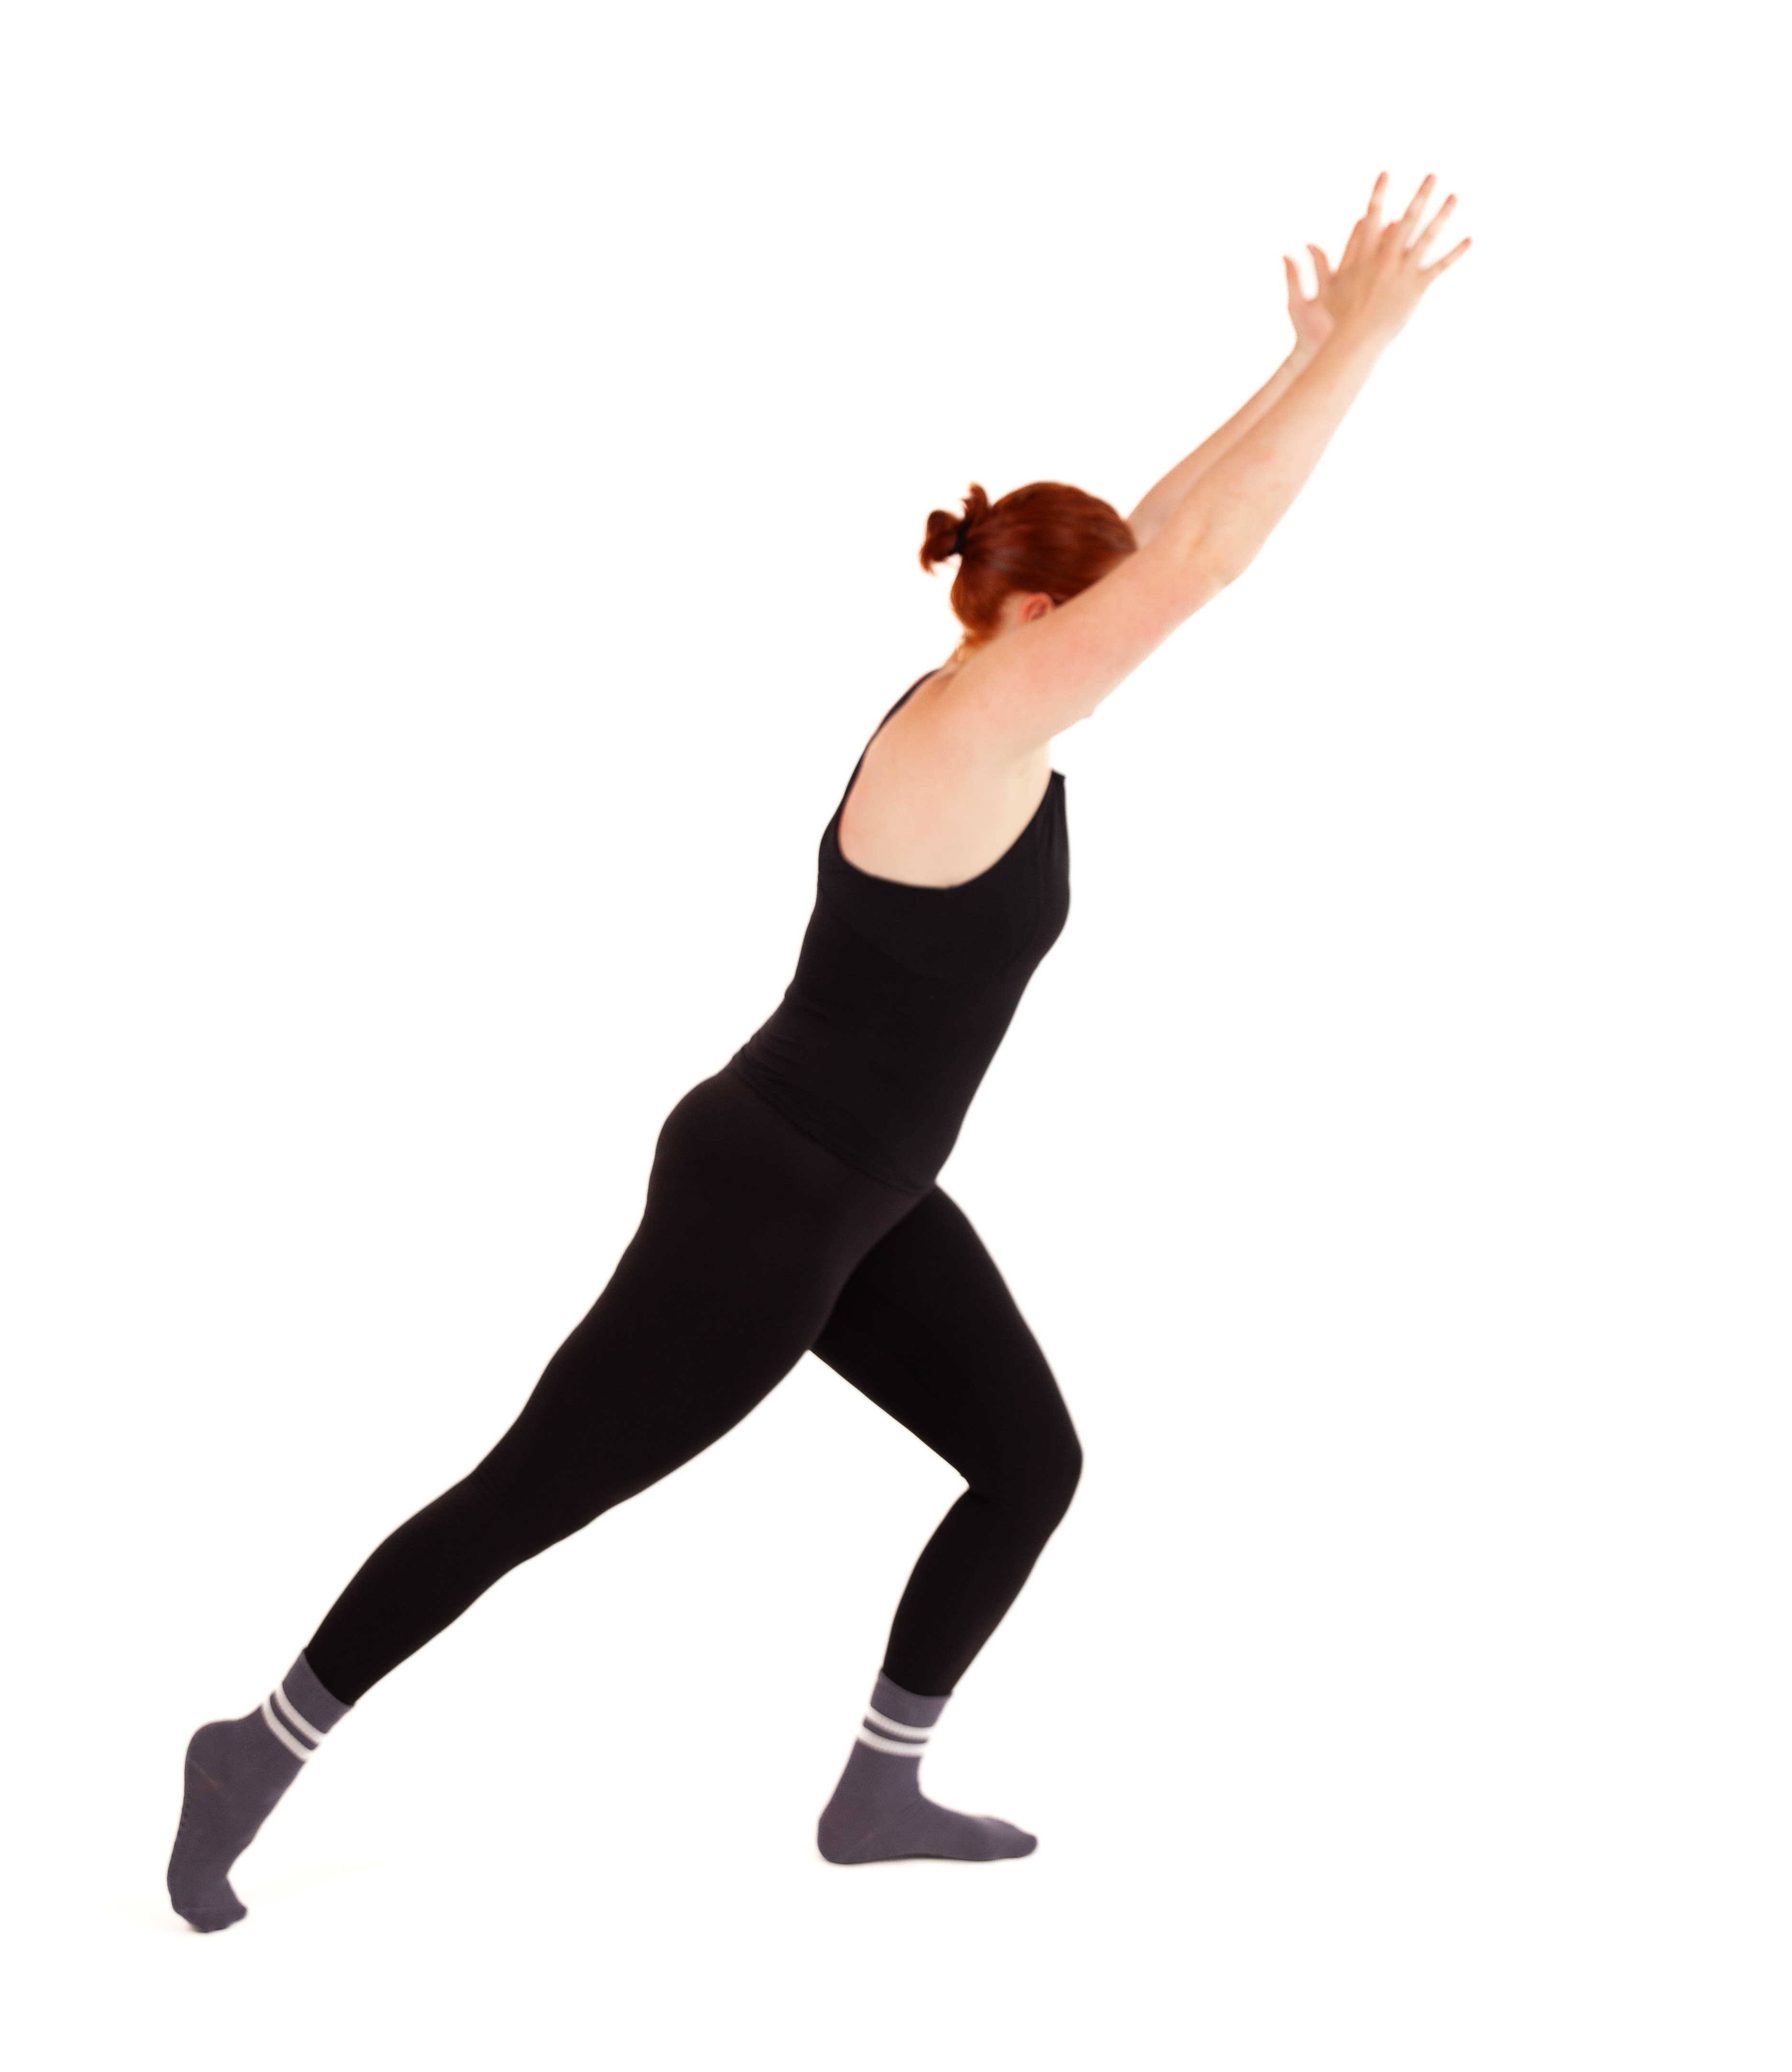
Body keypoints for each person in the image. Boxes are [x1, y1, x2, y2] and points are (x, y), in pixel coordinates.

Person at [168, 170, 1469, 1930]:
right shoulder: (975, 723)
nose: (1116, 647)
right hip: (768, 1203)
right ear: (1027, 626)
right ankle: (251, 1747)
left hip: (863, 1191)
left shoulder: (1007, 694)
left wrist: (1290, 359)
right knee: (530, 1493)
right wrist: (1371, 351)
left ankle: (878, 1785)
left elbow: (1165, 545)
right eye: (1093, 628)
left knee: (1030, 1461)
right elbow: (1203, 569)